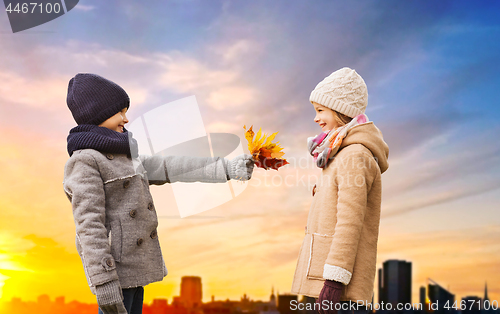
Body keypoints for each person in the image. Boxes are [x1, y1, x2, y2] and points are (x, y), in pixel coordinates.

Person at [62, 73, 255, 314]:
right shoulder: (85, 162)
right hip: (114, 275)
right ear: (97, 115)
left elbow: (172, 166)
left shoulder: (127, 156)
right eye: (120, 112)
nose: (126, 118)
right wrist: (104, 282)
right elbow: (89, 227)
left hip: (135, 270)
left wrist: (228, 168)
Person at [290, 67, 389, 314]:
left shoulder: (354, 155)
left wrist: (334, 282)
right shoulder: (340, 154)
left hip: (339, 289)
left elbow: (350, 222)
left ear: (341, 111)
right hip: (328, 283)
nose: (316, 118)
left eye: (321, 110)